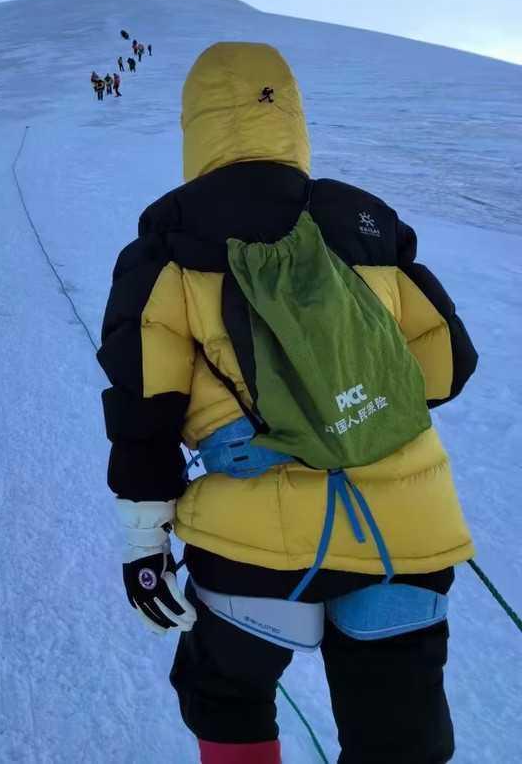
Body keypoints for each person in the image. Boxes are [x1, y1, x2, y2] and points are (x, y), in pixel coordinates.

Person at [96, 42, 477, 764]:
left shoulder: (167, 245)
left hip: (254, 550)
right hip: (404, 538)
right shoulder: (365, 222)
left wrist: (144, 549)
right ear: (293, 115)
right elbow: (446, 366)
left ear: (196, 126)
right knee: (399, 734)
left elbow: (144, 408)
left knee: (226, 692)